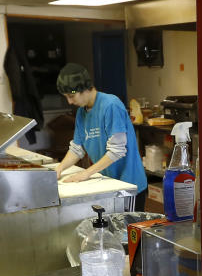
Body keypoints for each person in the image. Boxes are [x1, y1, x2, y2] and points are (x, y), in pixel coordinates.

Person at [54, 63, 148, 210]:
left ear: (84, 89)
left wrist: (87, 173)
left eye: (71, 96)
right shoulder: (81, 113)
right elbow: (76, 149)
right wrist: (59, 169)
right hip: (109, 183)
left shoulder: (111, 105)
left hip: (129, 184)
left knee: (127, 231)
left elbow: (116, 151)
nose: (70, 102)